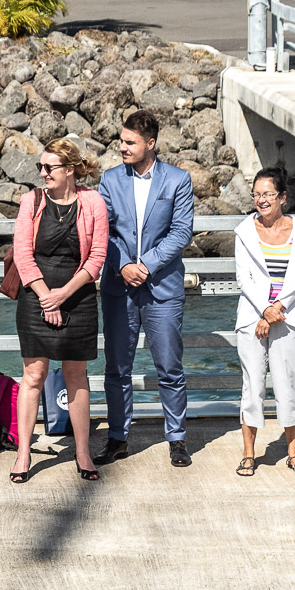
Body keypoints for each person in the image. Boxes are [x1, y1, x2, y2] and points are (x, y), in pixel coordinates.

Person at [96, 110, 196, 469]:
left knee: (169, 366)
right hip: (118, 286)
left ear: (150, 143)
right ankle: (118, 438)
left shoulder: (178, 180)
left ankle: (177, 438)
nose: (122, 147)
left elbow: (181, 232)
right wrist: (124, 265)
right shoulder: (109, 180)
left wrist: (147, 264)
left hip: (162, 287)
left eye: (130, 142)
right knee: (116, 368)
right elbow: (103, 231)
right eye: (121, 141)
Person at [9, 138, 109, 484]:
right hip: (35, 295)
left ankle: (82, 452)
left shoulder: (93, 202)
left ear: (69, 170)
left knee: (76, 376)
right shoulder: (31, 201)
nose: (43, 173)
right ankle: (24, 453)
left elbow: (97, 256)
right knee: (33, 375)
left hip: (78, 296)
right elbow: (22, 254)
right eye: (41, 166)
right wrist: (46, 297)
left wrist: (63, 294)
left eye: (49, 167)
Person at [233, 167, 295, 477]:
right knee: (252, 385)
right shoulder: (244, 231)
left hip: (289, 316)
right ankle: (248, 454)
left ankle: (293, 453)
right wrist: (264, 311)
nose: (261, 200)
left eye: (268, 194)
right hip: (253, 317)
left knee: (288, 385)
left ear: (282, 197)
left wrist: (274, 311)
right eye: (256, 194)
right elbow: (244, 278)